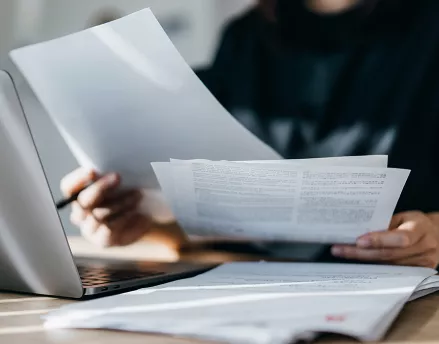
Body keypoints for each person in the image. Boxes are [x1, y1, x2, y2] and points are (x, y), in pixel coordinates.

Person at [61, 0, 439, 268]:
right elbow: (214, 227)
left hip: (400, 299)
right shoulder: (244, 39)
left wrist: (435, 235)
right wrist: (140, 224)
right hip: (243, 290)